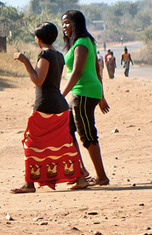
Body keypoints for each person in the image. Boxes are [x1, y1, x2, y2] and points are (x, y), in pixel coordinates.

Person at [10, 22, 83, 193]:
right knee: (64, 143)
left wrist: (25, 61)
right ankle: (79, 178)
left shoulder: (44, 54)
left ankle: (29, 183)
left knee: (31, 143)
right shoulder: (59, 55)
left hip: (45, 106)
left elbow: (38, 80)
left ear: (38, 38)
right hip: (60, 105)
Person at [62, 10, 110, 188]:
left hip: (83, 93)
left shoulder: (82, 42)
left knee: (87, 134)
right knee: (69, 127)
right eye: (63, 23)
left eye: (67, 22)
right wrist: (101, 96)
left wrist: (62, 95)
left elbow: (77, 72)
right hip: (87, 92)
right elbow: (96, 70)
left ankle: (101, 176)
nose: (64, 26)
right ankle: (81, 171)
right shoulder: (85, 41)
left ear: (76, 23)